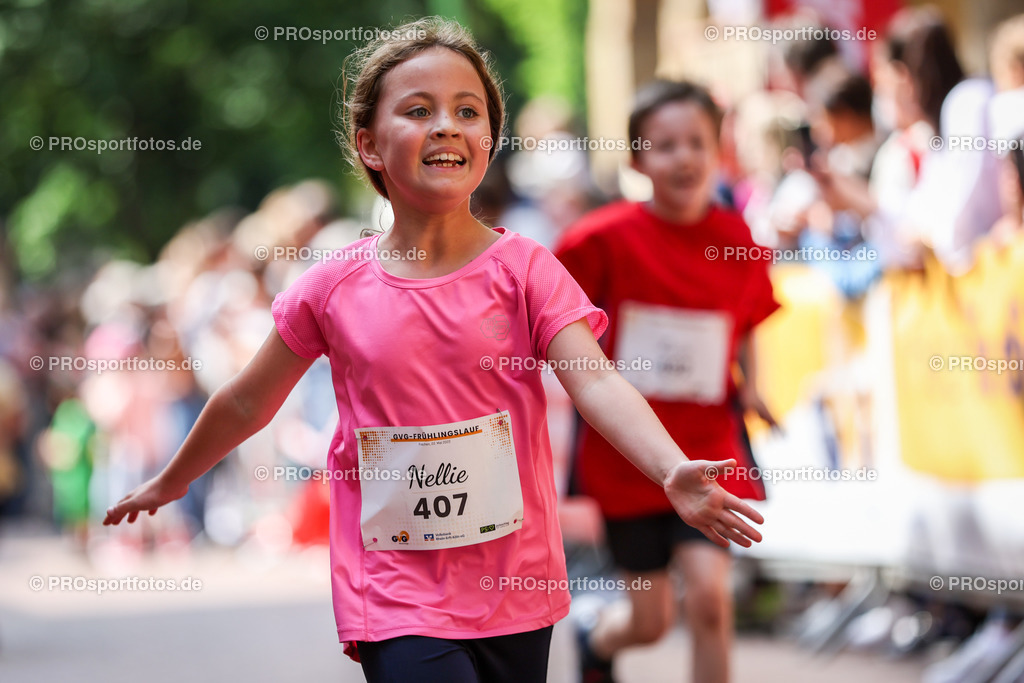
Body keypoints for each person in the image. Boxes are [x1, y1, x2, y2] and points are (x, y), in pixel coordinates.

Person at [102, 17, 764, 683]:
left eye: (467, 111)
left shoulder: (527, 270)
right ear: (368, 144)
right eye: (418, 110)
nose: (446, 124)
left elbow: (596, 382)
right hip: (394, 588)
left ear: (488, 142)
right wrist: (176, 475)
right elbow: (248, 397)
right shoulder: (330, 287)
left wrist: (669, 465)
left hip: (515, 584)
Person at [555, 80, 780, 683]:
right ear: (636, 159)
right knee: (651, 621)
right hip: (628, 457)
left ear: (718, 149)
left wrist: (753, 387)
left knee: (711, 597)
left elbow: (750, 320)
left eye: (696, 143)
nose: (682, 157)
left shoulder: (739, 242)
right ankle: (600, 638)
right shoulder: (596, 240)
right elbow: (555, 325)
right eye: (664, 145)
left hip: (709, 448)